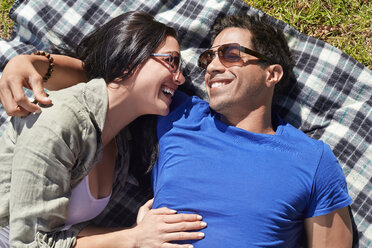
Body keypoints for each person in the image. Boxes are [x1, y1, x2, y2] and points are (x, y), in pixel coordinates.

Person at [0, 13, 353, 247]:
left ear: (271, 73)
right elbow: (108, 77)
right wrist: (28, 63)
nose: (211, 67)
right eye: (208, 58)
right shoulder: (179, 114)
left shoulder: (312, 160)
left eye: (230, 53)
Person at [0, 11, 206, 247]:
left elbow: (65, 232)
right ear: (130, 57)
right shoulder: (58, 122)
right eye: (171, 61)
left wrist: (137, 233)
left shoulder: (119, 141)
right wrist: (134, 238)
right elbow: (28, 243)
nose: (179, 78)